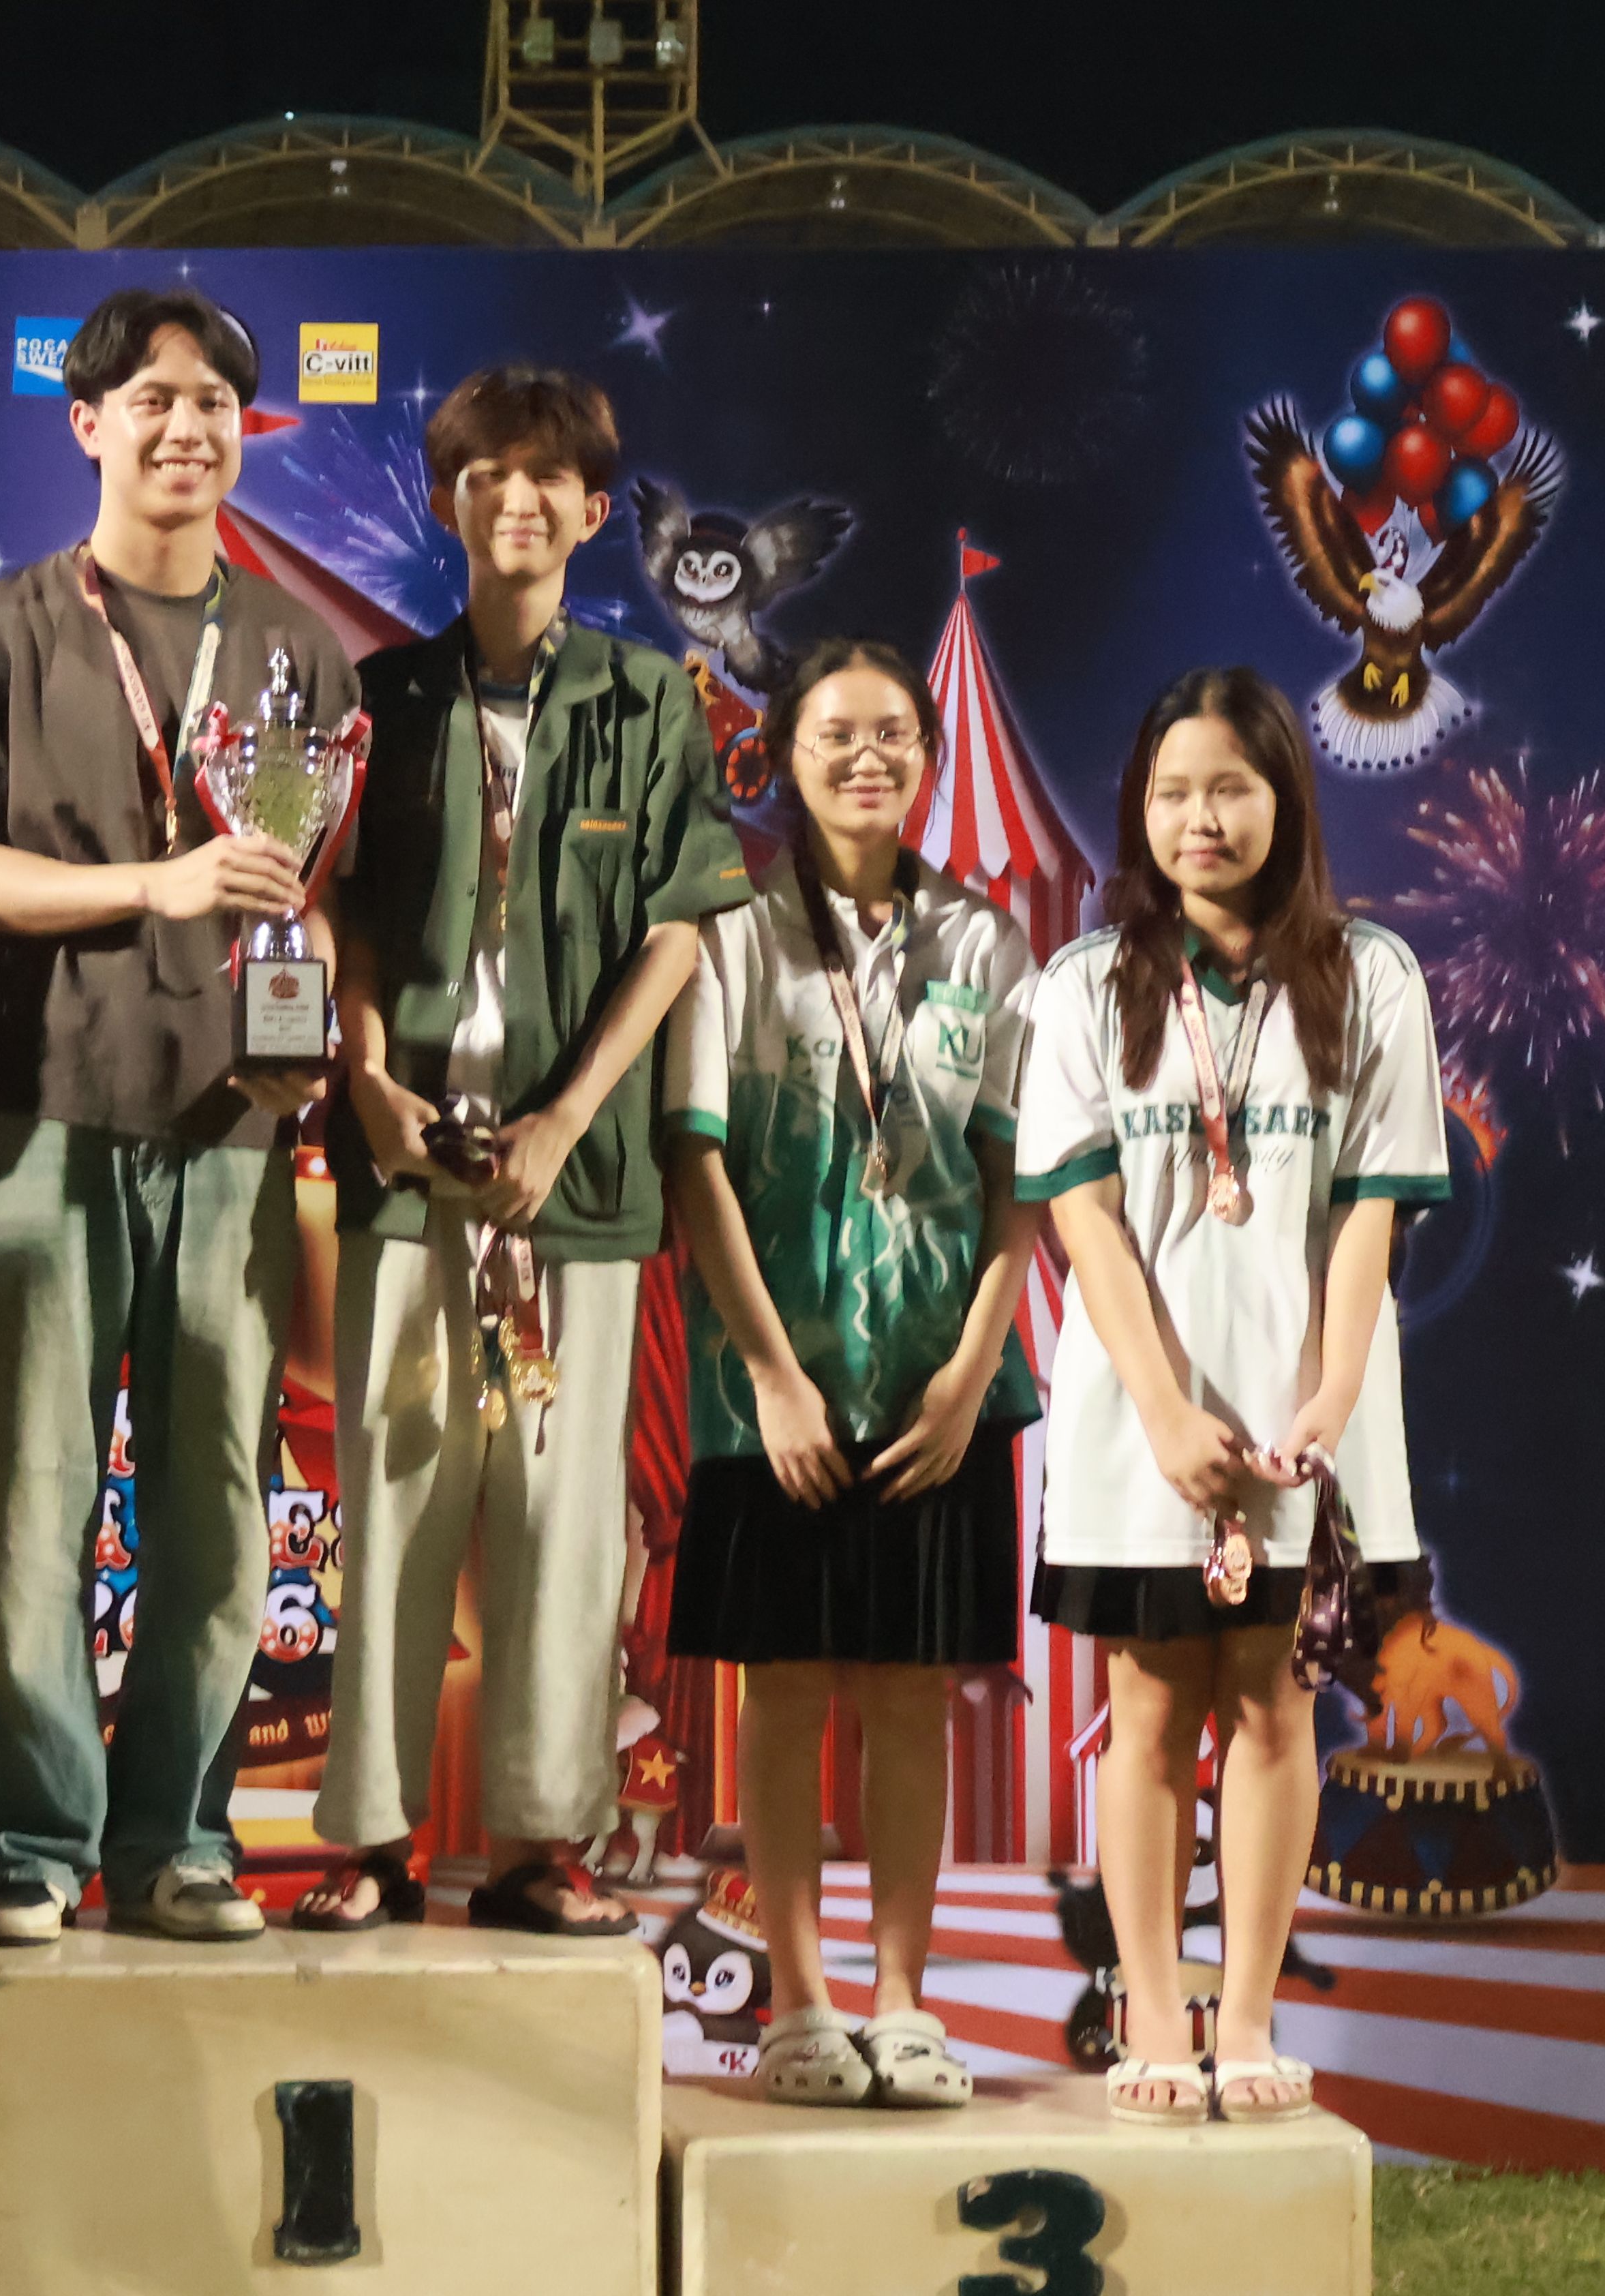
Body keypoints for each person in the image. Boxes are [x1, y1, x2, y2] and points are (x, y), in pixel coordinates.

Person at [0, 286, 363, 1946]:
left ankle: (179, 1836)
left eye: (215, 403)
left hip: (233, 1123)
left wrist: (304, 1011)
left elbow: (295, 881)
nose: (187, 428)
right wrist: (152, 885)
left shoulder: (298, 648)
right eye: (152, 400)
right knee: (34, 1493)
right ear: (87, 423)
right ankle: (32, 1843)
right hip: (37, 1107)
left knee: (218, 1498)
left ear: (246, 433)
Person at [301, 364, 746, 1939]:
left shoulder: (648, 698)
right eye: (488, 470)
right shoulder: (382, 697)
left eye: (551, 475)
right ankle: (370, 1839)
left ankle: (542, 1842)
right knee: (395, 1499)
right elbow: (342, 912)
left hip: (578, 1184)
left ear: (594, 510)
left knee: (562, 1524)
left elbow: (681, 926)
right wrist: (365, 1079)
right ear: (450, 500)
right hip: (408, 1167)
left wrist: (567, 1117)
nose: (519, 497)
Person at [1009, 666, 1445, 2125]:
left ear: (1284, 799)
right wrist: (1162, 1410)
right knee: (1145, 1715)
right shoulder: (1083, 986)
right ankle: (1150, 2015)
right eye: (1175, 791)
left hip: (1304, 1423)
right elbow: (1083, 1220)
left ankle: (1246, 2022)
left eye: (1232, 789)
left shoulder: (1372, 976)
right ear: (1141, 808)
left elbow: (1372, 1208)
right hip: (1147, 1423)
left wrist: (1328, 1398)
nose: (1202, 818)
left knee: (1272, 1711)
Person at [656, 640, 1041, 2106]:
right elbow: (696, 1163)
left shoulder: (984, 943)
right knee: (786, 1686)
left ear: (929, 759)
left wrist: (973, 1369)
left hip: (939, 1386)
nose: (867, 757)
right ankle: (800, 2004)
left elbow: (1018, 1179)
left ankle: (903, 2002)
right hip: (778, 1390)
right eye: (836, 733)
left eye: (893, 734)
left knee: (909, 1691)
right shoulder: (735, 936)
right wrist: (772, 1374)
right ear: (785, 753)